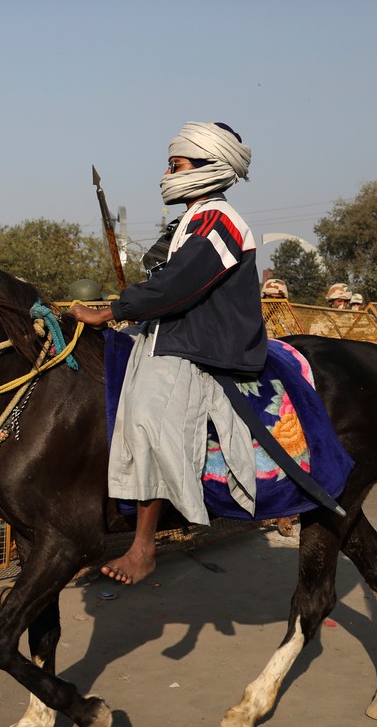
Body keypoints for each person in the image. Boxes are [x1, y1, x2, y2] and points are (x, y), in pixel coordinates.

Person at [69, 121, 264, 585]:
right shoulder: (189, 222)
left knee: (148, 419)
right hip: (166, 333)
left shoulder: (221, 221)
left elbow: (178, 286)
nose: (166, 173)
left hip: (197, 344)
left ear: (208, 167)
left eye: (175, 165)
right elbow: (160, 276)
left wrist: (112, 309)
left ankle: (143, 547)